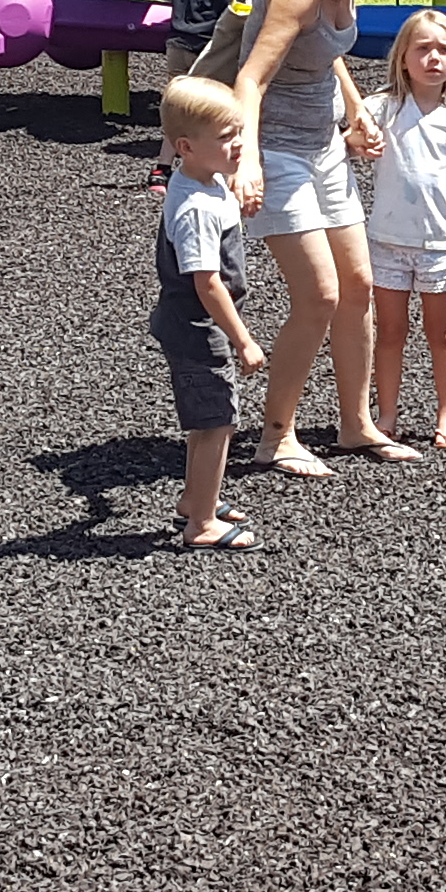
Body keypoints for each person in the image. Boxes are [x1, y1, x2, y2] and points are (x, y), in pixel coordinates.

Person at [238, 0, 430, 475]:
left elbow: (322, 51)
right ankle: (278, 434)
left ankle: (355, 425)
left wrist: (353, 110)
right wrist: (245, 159)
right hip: (276, 149)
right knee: (319, 294)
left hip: (322, 145)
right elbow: (251, 76)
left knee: (357, 288)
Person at [150, 74, 269, 549]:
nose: (239, 144)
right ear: (186, 146)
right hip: (199, 327)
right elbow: (207, 282)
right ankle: (202, 524)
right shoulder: (196, 207)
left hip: (193, 324)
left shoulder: (203, 180)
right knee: (217, 419)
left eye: (238, 132)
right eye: (226, 137)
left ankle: (197, 497)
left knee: (207, 418)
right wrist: (242, 338)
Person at [364, 8, 446, 448]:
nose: (434, 58)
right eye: (423, 49)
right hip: (386, 239)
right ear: (403, 58)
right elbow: (346, 139)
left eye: (443, 49)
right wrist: (359, 140)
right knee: (390, 331)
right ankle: (387, 414)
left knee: (441, 331)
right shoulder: (381, 107)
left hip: (439, 243)